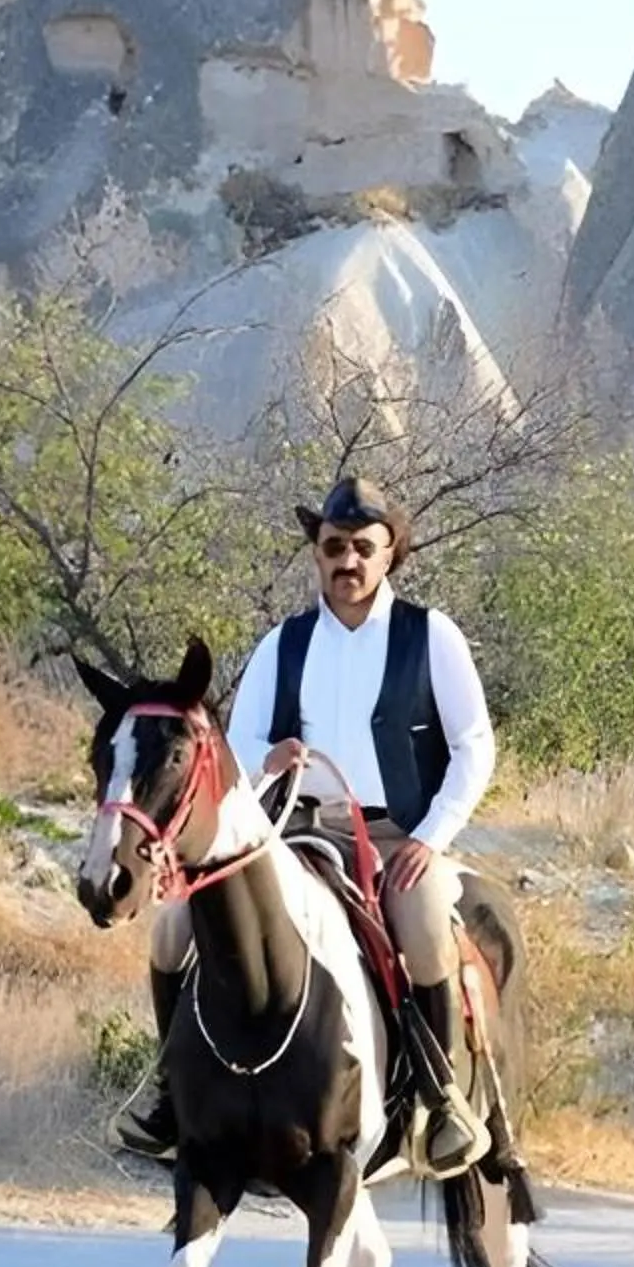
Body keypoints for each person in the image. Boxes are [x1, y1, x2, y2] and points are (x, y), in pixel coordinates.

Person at [115, 476, 498, 1175]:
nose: (347, 560)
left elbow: (475, 746)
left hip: (395, 837)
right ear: (317, 552)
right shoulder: (283, 643)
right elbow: (236, 749)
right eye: (333, 546)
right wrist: (268, 761)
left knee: (420, 923)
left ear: (390, 553)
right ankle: (172, 1089)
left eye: (363, 548)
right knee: (173, 923)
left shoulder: (430, 635)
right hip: (289, 831)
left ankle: (440, 1100)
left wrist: (430, 838)